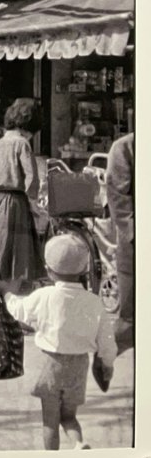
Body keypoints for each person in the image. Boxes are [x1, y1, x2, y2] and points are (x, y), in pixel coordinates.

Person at [2, 233, 118, 450]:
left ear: (49, 270)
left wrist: (6, 294)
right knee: (69, 416)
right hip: (79, 366)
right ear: (84, 270)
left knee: (50, 420)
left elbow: (19, 310)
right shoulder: (94, 302)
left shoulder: (45, 295)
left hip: (52, 365)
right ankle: (78, 443)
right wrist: (108, 364)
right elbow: (107, 339)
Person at [0, 99, 46, 291]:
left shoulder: (0, 143)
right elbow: (31, 177)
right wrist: (35, 205)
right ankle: (13, 292)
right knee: (16, 253)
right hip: (14, 202)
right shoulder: (22, 143)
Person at [106, 133, 134, 355]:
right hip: (136, 246)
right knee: (129, 321)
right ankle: (104, 361)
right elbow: (119, 201)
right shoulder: (125, 148)